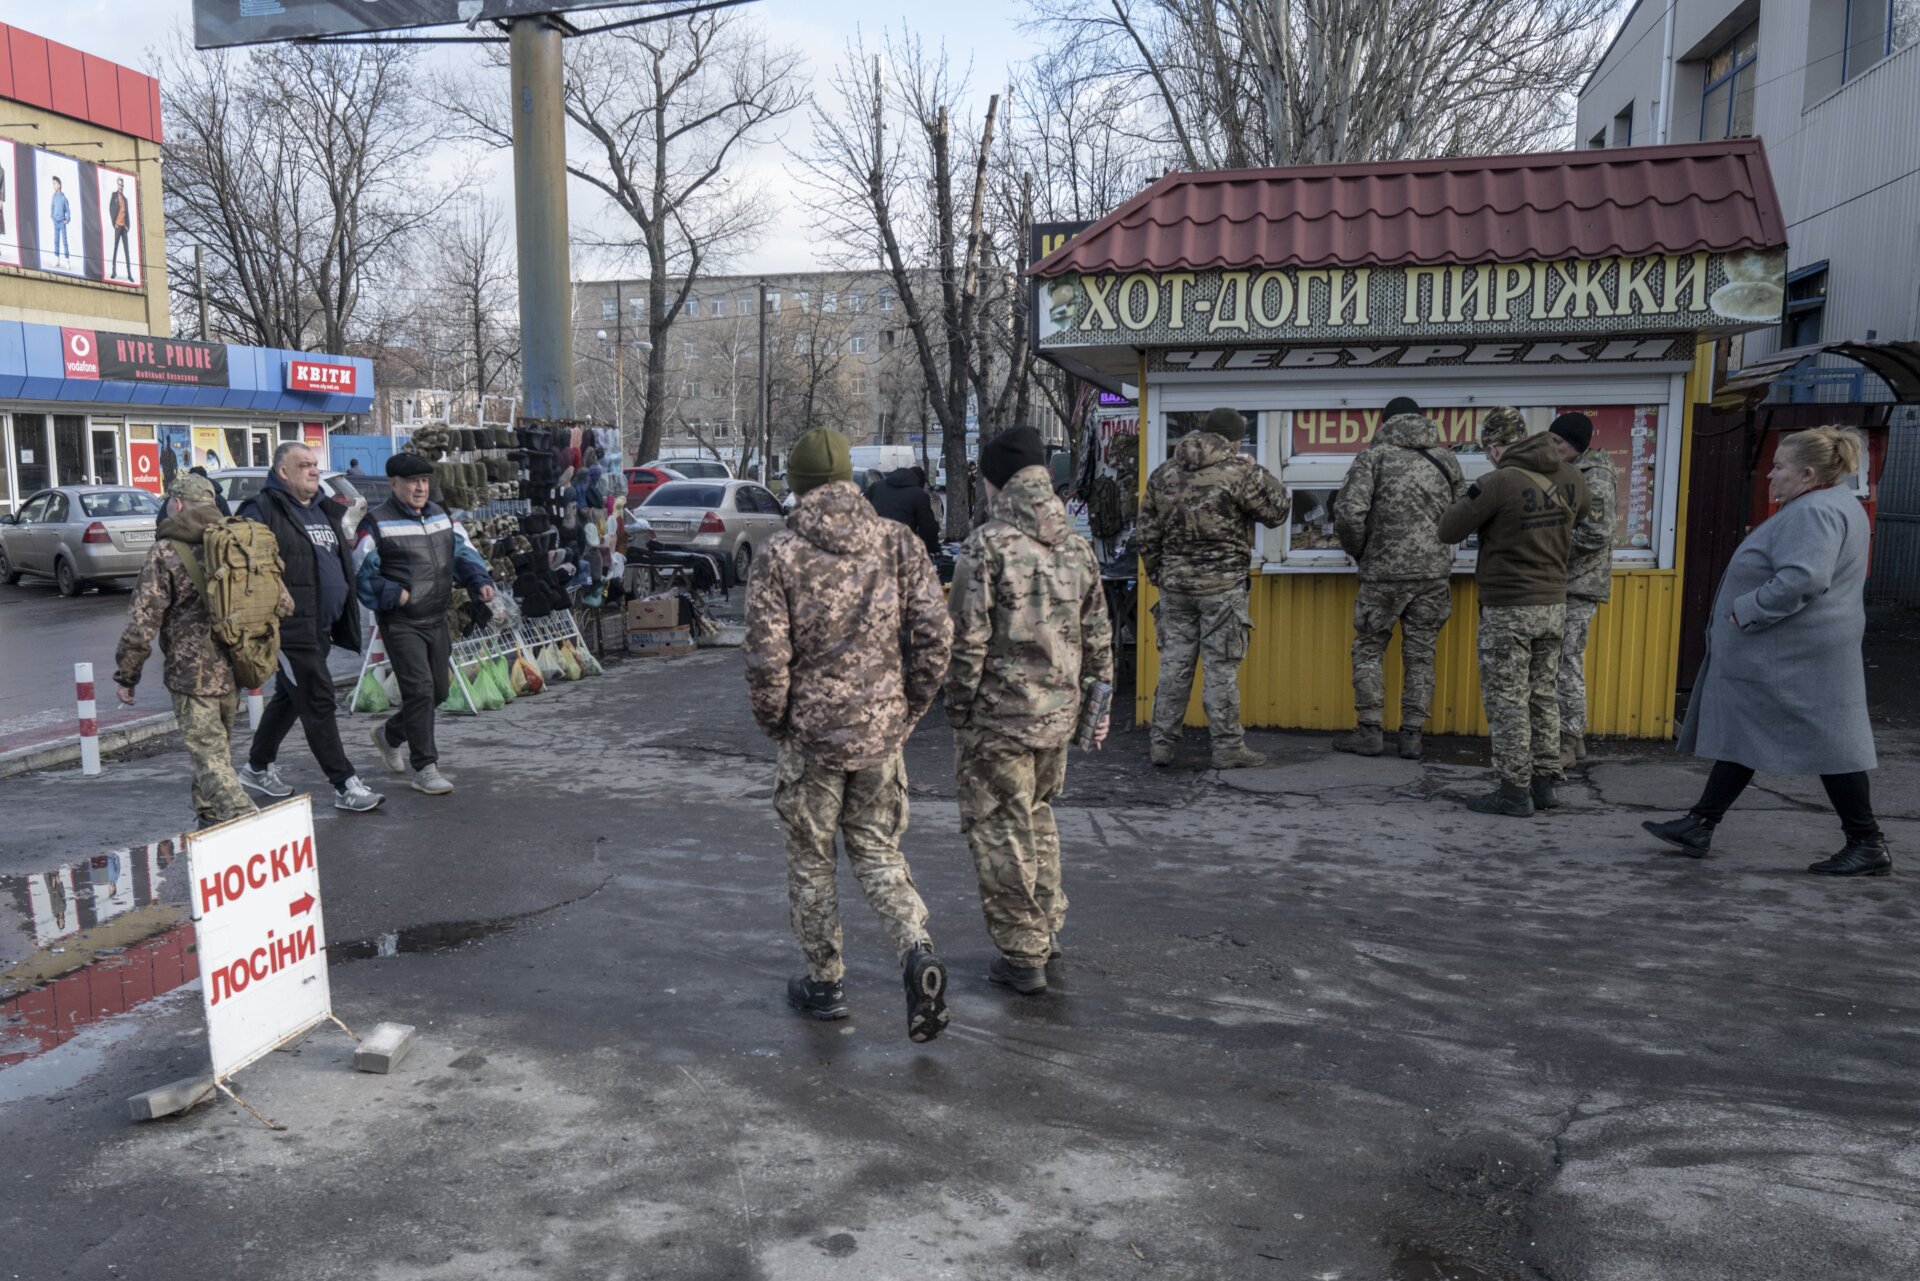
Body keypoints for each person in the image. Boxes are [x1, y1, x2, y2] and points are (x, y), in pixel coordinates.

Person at [742, 426, 955, 1041]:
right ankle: (916, 950)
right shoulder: (899, 543)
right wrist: (909, 707)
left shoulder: (780, 554)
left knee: (812, 861)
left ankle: (826, 982)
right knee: (880, 852)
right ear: (851, 483)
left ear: (798, 485)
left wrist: (776, 721)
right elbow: (936, 637)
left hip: (811, 740)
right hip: (882, 736)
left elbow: (764, 659)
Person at [1644, 428, 1888, 876]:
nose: (1769, 474)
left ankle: (1867, 841)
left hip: (1794, 655)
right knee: (1748, 731)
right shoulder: (1831, 504)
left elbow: (1804, 578)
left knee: (1833, 747)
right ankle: (1701, 822)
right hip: (1796, 652)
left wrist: (1747, 610)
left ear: (1808, 473)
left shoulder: (1813, 512)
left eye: (1779, 467)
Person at [946, 427, 1112, 995]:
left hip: (998, 719)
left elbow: (966, 641)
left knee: (998, 830)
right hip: (1056, 717)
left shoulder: (986, 545)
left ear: (996, 480)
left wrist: (958, 707)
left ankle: (1023, 954)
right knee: (1037, 818)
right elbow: (1099, 635)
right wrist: (1096, 702)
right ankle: (1047, 928)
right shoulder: (1076, 545)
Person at [1438, 408, 1587, 817]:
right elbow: (1584, 517)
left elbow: (1447, 530)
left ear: (1495, 446)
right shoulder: (1573, 477)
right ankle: (1543, 784)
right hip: (1554, 604)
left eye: (1488, 450)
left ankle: (1512, 790)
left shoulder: (1497, 481)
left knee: (1508, 700)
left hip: (1509, 607)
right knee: (1543, 696)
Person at [113, 475, 284, 829]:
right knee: (215, 751)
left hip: (192, 676)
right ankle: (209, 814)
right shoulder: (236, 543)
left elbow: (142, 621)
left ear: (177, 504)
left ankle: (250, 825)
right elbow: (282, 601)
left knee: (209, 755)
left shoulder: (166, 551)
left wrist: (127, 675)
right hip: (237, 665)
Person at [1136, 407, 1291, 769]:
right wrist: (1257, 469)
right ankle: (1226, 747)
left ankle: (1161, 745)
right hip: (1222, 587)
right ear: (1234, 438)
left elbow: (1146, 532)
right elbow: (1278, 511)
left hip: (1176, 587)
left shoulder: (1165, 473)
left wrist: (1161, 574)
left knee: (1174, 666)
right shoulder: (1238, 471)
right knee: (1220, 669)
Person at [234, 443, 383, 813]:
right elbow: (248, 570)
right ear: (283, 472)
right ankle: (345, 784)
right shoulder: (262, 510)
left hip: (321, 626)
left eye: (315, 465)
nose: (314, 471)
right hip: (287, 630)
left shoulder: (321, 509)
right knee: (317, 698)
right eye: (304, 465)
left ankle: (256, 766)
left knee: (290, 697)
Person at [354, 453, 496, 796]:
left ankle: (389, 735)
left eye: (424, 481)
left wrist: (478, 580)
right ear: (394, 484)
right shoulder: (376, 522)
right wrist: (394, 594)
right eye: (412, 481)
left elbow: (462, 552)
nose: (420, 488)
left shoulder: (441, 516)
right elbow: (359, 572)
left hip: (436, 617)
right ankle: (425, 768)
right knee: (419, 690)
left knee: (439, 691)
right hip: (402, 621)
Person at [1330, 395, 1463, 761]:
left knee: (1370, 649)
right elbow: (1465, 511)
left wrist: (1361, 552)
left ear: (1384, 421)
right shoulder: (1446, 458)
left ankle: (1370, 732)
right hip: (1433, 575)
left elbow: (1348, 513)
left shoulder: (1373, 457)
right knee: (1420, 655)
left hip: (1383, 575)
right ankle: (1412, 738)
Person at [1548, 413, 1617, 767]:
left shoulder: (1595, 477)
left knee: (1565, 665)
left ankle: (1566, 742)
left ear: (1576, 444)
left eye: (1558, 443)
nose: (1553, 448)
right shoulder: (1575, 471)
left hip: (1578, 584)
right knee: (1563, 662)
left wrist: (1547, 542)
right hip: (1568, 582)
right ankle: (1573, 742)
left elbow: (1596, 534)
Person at [868, 465, 942, 559]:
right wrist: (933, 549)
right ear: (920, 482)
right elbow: (927, 527)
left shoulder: (876, 487)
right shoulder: (918, 494)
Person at [108, 177, 132, 281]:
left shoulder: (125, 199)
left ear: (123, 186)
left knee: (127, 251)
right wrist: (114, 223)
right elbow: (111, 209)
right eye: (119, 184)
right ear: (117, 185)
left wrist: (127, 226)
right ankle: (114, 271)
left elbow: (127, 213)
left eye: (122, 185)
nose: (120, 186)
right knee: (115, 248)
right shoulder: (114, 195)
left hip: (124, 227)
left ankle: (129, 274)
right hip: (118, 226)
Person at [48, 176, 70, 264]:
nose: (53, 186)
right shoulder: (53, 196)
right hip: (56, 222)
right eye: (53, 184)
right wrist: (52, 216)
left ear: (59, 185)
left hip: (62, 222)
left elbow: (68, 210)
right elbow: (52, 207)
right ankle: (57, 259)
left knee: (64, 241)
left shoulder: (63, 197)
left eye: (54, 184)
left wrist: (67, 219)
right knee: (56, 240)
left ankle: (67, 260)